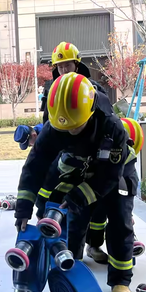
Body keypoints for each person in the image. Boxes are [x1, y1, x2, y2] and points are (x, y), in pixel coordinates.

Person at [15, 72, 137, 292]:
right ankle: (66, 274)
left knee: (120, 218)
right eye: (65, 128)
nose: (70, 132)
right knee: (67, 222)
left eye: (76, 127)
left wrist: (78, 197)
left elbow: (108, 176)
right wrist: (24, 208)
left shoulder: (112, 128)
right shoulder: (55, 127)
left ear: (90, 113)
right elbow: (35, 166)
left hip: (116, 169)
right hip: (79, 166)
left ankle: (121, 280)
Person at [39, 42, 110, 264]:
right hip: (64, 159)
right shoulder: (51, 89)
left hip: (93, 158)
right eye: (59, 66)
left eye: (67, 64)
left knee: (98, 204)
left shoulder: (93, 88)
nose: (63, 70)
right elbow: (47, 123)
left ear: (76, 64)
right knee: (57, 203)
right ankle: (63, 254)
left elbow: (107, 122)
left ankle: (94, 244)